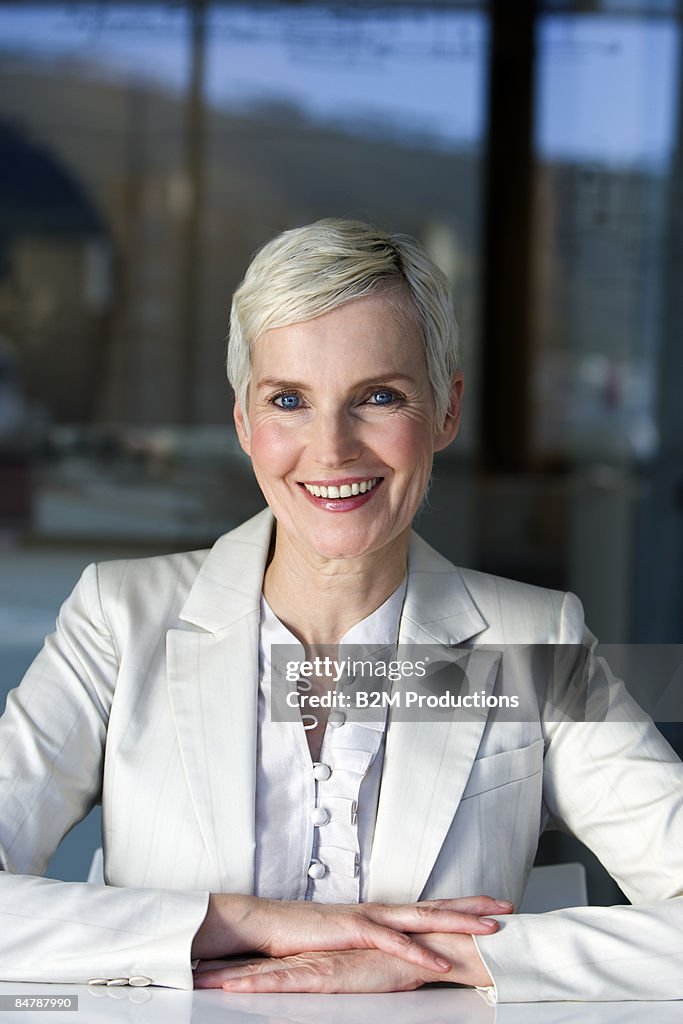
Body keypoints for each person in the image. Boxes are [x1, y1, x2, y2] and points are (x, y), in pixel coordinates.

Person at [0, 219, 681, 1003]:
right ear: (243, 422)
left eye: (378, 397)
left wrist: (443, 957)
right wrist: (231, 921)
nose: (330, 450)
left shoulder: (535, 640)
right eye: (288, 399)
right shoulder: (118, 621)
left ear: (446, 410)